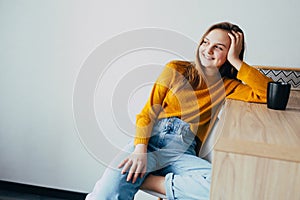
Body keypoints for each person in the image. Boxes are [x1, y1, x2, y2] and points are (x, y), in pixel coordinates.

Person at [86, 22, 272, 200]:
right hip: (151, 141)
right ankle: (141, 175)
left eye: (219, 47)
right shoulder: (176, 68)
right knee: (104, 195)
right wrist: (140, 150)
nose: (208, 50)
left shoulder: (227, 86)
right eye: (206, 42)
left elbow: (267, 93)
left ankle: (150, 181)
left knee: (224, 188)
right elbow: (147, 112)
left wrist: (236, 60)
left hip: (183, 150)